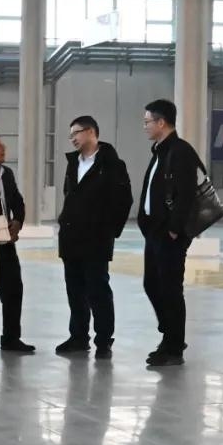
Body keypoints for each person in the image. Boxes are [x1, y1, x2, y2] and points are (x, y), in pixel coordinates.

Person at [56, 116, 133, 360]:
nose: (73, 139)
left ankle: (103, 340)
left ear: (91, 132)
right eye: (71, 135)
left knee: (98, 291)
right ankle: (78, 337)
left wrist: (110, 231)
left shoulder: (112, 164)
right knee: (75, 291)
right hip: (71, 238)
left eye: (76, 133)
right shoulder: (73, 163)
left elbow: (124, 200)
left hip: (96, 240)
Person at [138, 99, 200, 367]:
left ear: (161, 122)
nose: (145, 126)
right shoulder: (160, 151)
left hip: (169, 234)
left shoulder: (180, 151)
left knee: (170, 289)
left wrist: (174, 229)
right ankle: (171, 334)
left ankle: (173, 347)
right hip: (154, 231)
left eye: (147, 122)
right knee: (152, 284)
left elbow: (187, 194)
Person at [0, 133, 35, 353]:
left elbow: (18, 201)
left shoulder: (6, 173)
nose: (3, 149)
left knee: (14, 290)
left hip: (5, 244)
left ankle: (11, 338)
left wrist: (17, 222)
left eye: (2, 145)